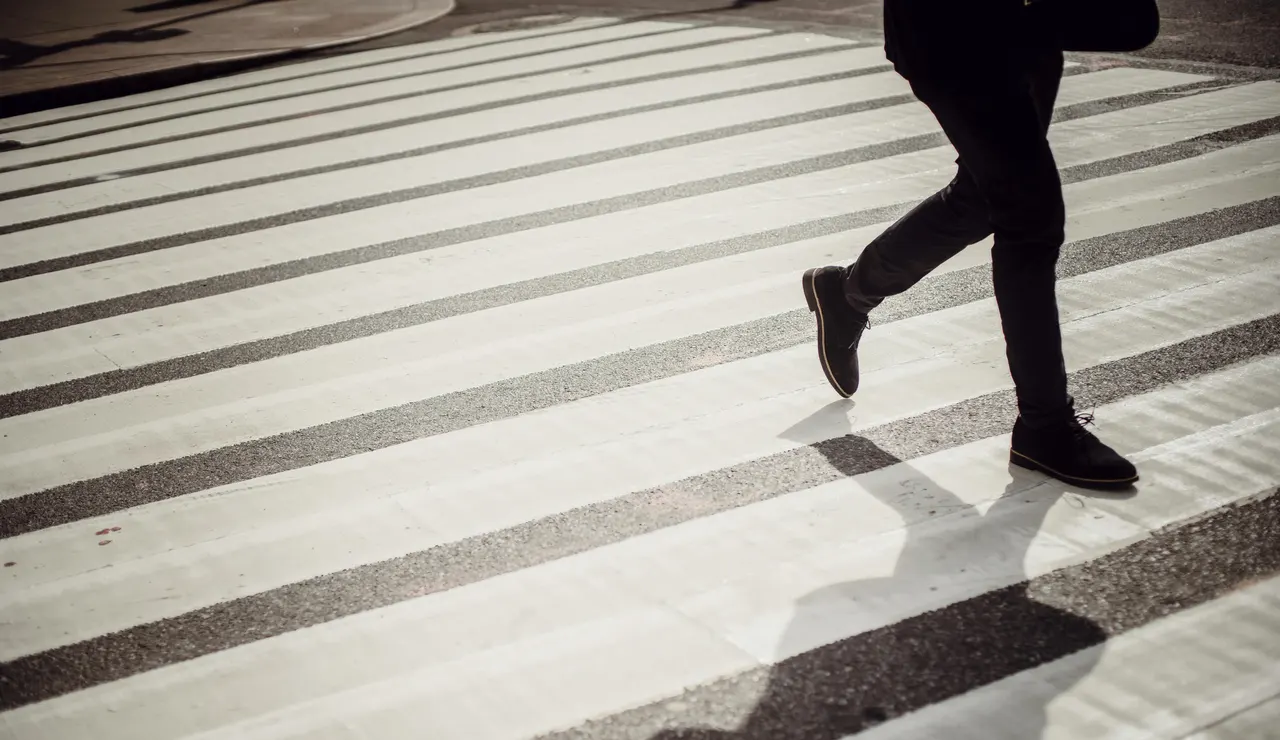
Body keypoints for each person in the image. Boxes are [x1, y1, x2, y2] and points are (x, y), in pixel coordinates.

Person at [802, 0, 1160, 491]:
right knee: (1029, 217)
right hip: (956, 32)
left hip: (1028, 31)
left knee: (981, 200)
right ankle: (1044, 424)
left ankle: (848, 293)